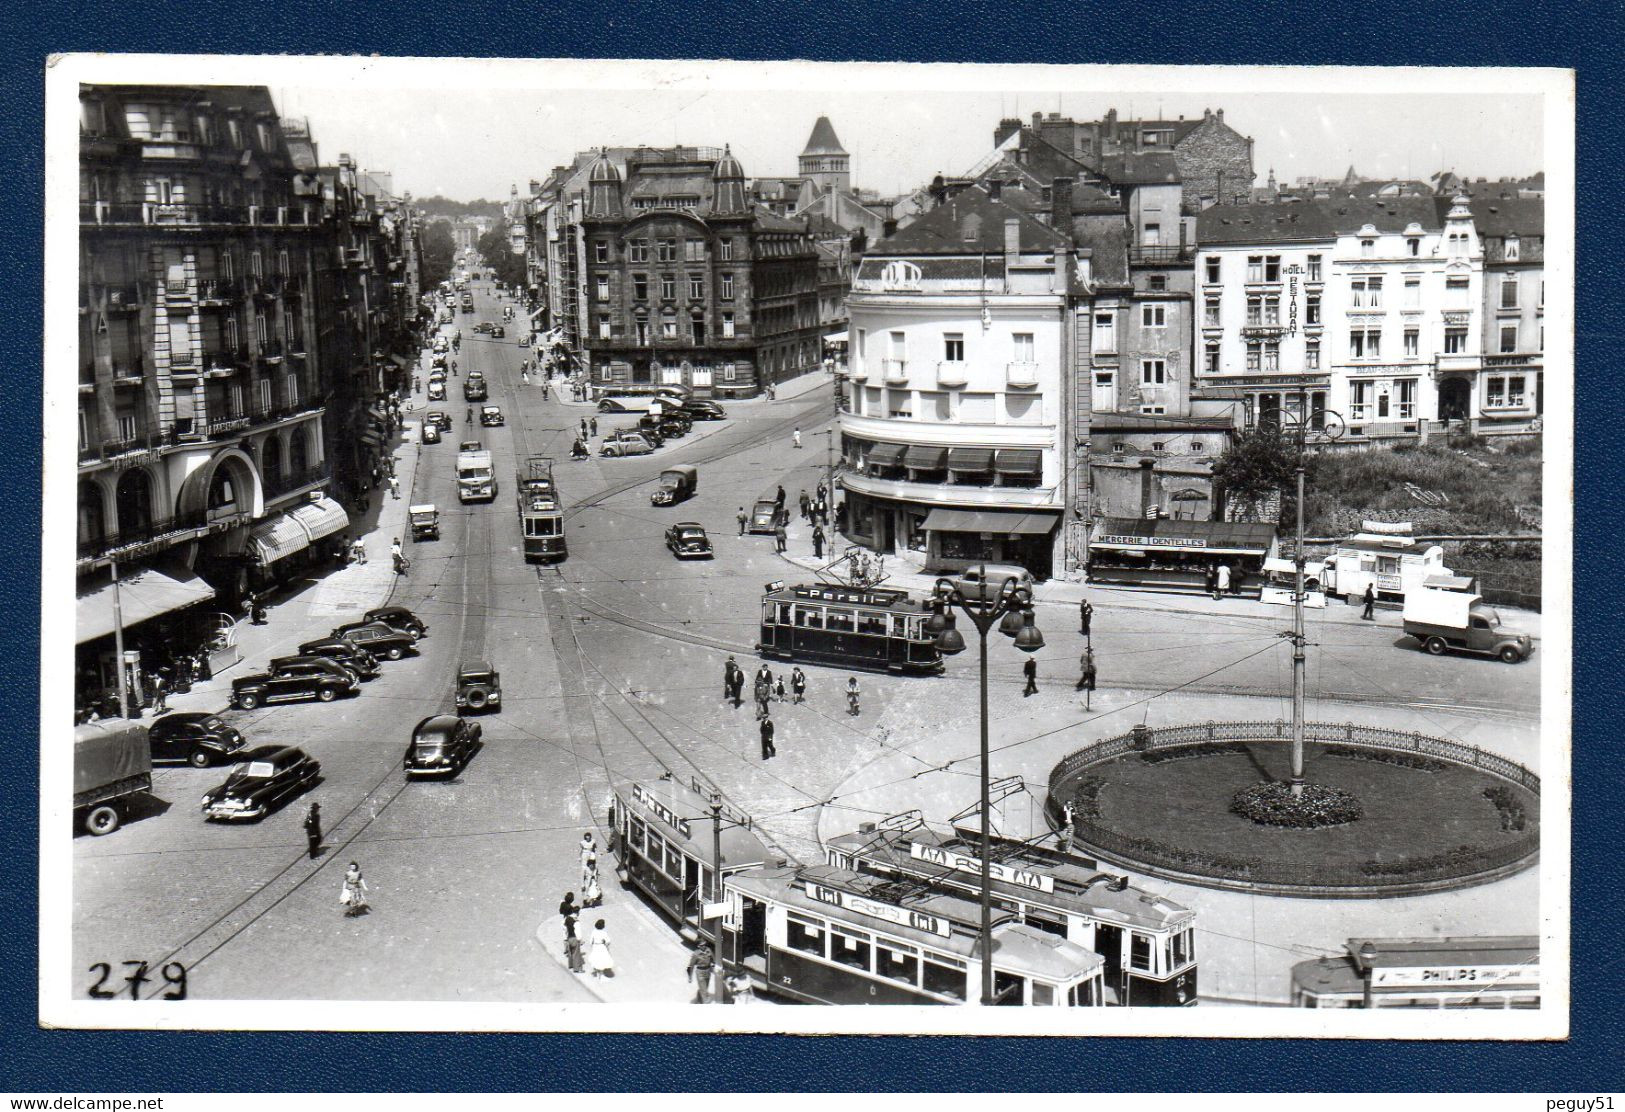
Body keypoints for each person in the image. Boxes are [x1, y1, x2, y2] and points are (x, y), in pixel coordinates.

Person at [559, 893, 584, 973]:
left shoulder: (562, 904)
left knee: (569, 948)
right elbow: (578, 932)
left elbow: (560, 911)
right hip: (574, 938)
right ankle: (577, 968)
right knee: (576, 953)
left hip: (566, 925)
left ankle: (570, 964)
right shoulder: (576, 921)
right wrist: (580, 940)